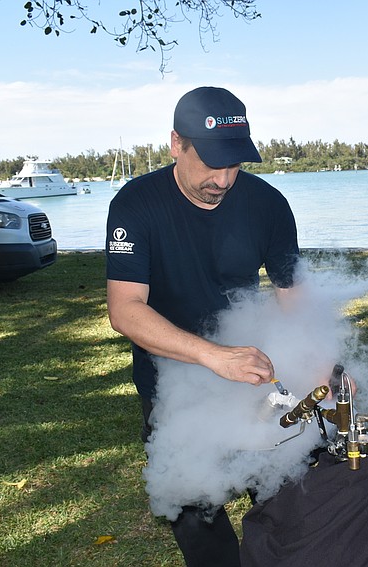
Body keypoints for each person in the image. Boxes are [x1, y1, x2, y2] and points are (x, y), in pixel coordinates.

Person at [105, 86, 300, 567]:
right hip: (172, 383)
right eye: (211, 163)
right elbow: (125, 308)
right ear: (176, 143)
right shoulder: (136, 204)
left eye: (234, 164)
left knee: (282, 500)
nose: (224, 178)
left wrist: (324, 363)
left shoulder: (268, 204)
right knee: (195, 512)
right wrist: (213, 356)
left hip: (255, 379)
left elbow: (294, 299)